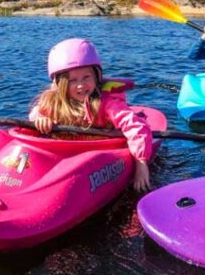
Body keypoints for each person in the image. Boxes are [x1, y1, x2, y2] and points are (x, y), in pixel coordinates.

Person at [30, 38, 154, 192]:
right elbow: (35, 114)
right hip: (65, 153)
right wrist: (40, 119)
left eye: (86, 77)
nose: (81, 85)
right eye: (72, 80)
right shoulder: (52, 102)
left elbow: (136, 127)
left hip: (101, 154)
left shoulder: (108, 104)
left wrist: (141, 163)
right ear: (59, 84)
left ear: (96, 76)